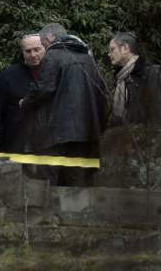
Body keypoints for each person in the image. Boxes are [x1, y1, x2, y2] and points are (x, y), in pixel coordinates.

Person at [20, 23, 107, 186]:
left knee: (48, 179)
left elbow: (43, 88)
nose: (44, 48)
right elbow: (101, 93)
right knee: (77, 179)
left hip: (58, 132)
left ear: (48, 39)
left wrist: (25, 103)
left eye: (43, 44)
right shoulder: (87, 58)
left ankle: (49, 211)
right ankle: (76, 211)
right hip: (86, 132)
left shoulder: (54, 55)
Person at [107, 32, 161, 143]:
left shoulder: (151, 74)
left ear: (125, 48)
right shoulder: (122, 79)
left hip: (150, 148)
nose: (109, 54)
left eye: (112, 49)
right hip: (131, 148)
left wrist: (153, 145)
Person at [0, 34, 45, 154]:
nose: (33, 55)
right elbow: (0, 110)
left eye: (37, 49)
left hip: (48, 140)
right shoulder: (8, 75)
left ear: (45, 48)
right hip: (18, 141)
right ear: (22, 53)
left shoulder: (55, 71)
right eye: (28, 51)